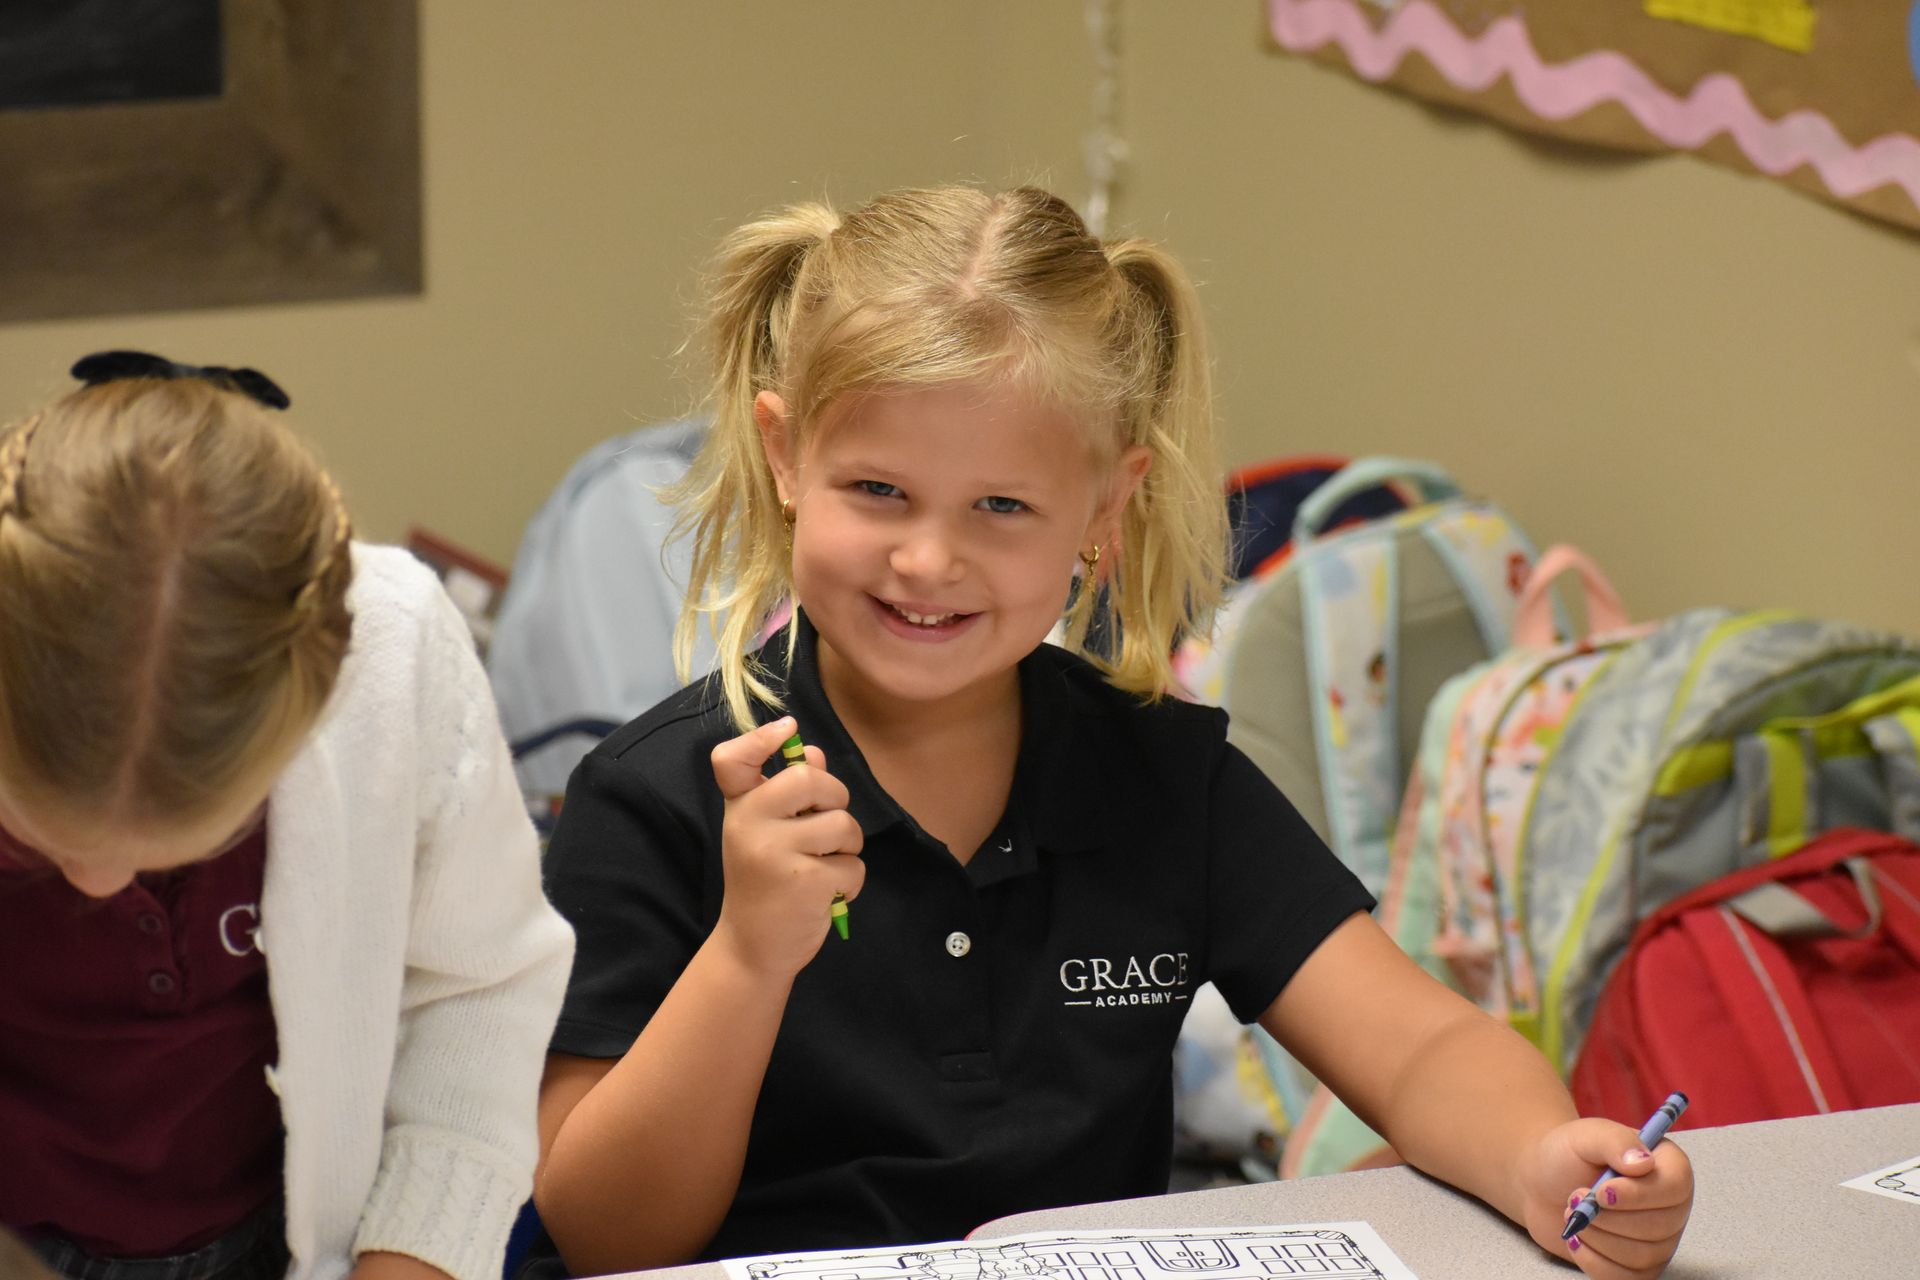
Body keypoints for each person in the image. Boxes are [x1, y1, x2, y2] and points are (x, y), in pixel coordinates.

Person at [528, 187, 1694, 1280]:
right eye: (878, 489)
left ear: (1102, 507)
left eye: (1002, 506)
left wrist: (1546, 1153)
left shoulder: (1164, 775)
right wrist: (745, 956)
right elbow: (603, 1235)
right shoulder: (657, 794)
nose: (929, 559)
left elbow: (1423, 1046)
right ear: (786, 457)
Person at [0, 354, 574, 1280]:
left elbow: (480, 988)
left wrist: (415, 1253)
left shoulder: (388, 658)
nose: (98, 883)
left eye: (186, 838)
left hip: (298, 1238)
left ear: (314, 711)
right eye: (43, 834)